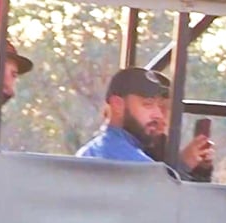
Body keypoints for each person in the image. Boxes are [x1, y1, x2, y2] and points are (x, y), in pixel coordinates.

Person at [75, 66, 213, 180]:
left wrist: (198, 170)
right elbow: (165, 202)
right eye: (148, 104)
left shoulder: (104, 147)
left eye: (162, 107)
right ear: (117, 105)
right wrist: (182, 166)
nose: (159, 115)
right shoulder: (125, 158)